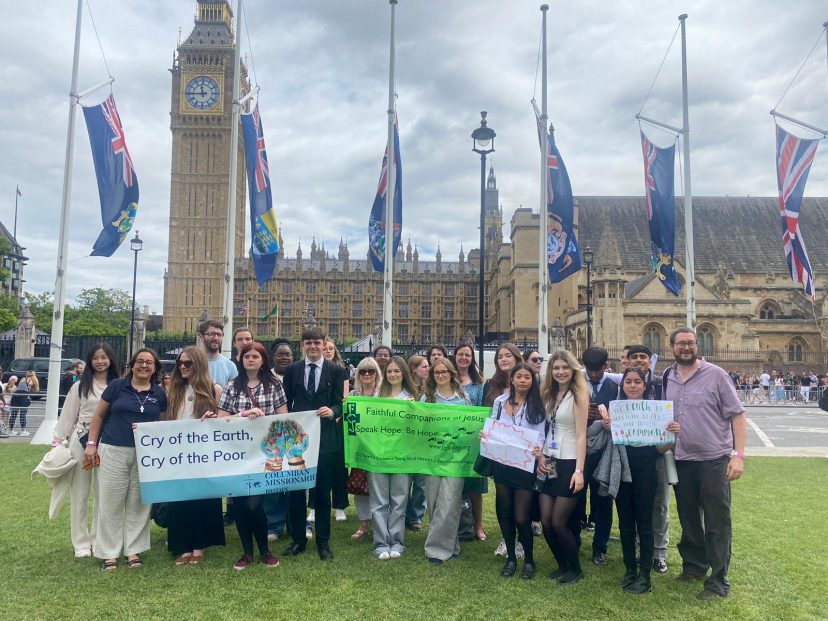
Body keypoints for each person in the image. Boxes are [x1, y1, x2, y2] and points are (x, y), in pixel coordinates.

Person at [663, 327, 746, 601]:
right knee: (688, 519)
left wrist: (739, 456)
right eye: (681, 343)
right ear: (672, 347)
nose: (686, 347)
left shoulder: (717, 375)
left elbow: (737, 415)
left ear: (697, 345)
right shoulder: (667, 377)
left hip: (714, 460)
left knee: (717, 522)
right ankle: (694, 566)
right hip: (681, 459)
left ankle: (718, 581)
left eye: (691, 343)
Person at [83, 348, 167, 571]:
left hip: (144, 455)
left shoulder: (159, 393)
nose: (144, 366)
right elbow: (98, 415)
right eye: (140, 361)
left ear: (155, 368)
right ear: (132, 364)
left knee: (139, 503)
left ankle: (133, 550)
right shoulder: (117, 386)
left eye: (149, 363)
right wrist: (91, 444)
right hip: (113, 449)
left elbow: (162, 424)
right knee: (110, 502)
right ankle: (108, 553)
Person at [600, 367, 681, 594]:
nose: (633, 385)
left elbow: (660, 448)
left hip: (646, 468)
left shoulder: (655, 410)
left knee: (644, 522)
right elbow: (612, 440)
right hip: (622, 467)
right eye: (628, 382)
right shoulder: (616, 410)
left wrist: (672, 436)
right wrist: (607, 427)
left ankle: (644, 575)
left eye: (637, 381)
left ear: (645, 386)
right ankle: (629, 570)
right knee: (625, 521)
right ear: (623, 385)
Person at [208, 342, 287, 569]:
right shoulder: (233, 386)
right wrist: (244, 414)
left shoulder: (274, 385)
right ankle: (247, 553)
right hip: (237, 453)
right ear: (240, 360)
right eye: (246, 356)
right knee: (241, 505)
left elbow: (283, 418)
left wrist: (264, 419)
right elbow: (222, 419)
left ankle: (265, 550)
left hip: (264, 453)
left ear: (263, 360)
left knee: (254, 505)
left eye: (255, 356)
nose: (250, 360)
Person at [282, 327, 347, 561]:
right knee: (296, 493)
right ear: (302, 345)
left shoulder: (337, 371)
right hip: (297, 441)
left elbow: (341, 403)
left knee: (321, 493)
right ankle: (298, 539)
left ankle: (323, 541)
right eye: (308, 342)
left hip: (325, 440)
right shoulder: (292, 370)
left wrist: (333, 411)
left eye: (317, 342)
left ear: (324, 344)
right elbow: (286, 402)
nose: (313, 346)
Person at [52, 343, 121, 557]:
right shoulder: (80, 386)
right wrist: (58, 440)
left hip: (108, 442)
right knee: (80, 494)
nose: (100, 361)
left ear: (111, 359)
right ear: (90, 361)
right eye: (95, 358)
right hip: (81, 440)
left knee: (104, 493)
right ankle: (81, 543)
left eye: (104, 357)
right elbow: (68, 414)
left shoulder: (119, 385)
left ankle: (98, 539)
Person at [163, 347, 226, 565]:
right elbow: (165, 421)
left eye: (187, 363)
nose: (182, 367)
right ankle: (182, 546)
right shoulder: (173, 390)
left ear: (198, 365)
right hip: (178, 454)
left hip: (203, 454)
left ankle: (200, 545)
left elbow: (222, 421)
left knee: (202, 500)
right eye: (179, 363)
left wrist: (212, 418)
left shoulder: (214, 389)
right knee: (180, 501)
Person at [487, 362, 546, 580]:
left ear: (532, 381)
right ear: (512, 379)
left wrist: (539, 449)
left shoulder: (537, 405)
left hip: (524, 466)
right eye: (518, 376)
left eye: (527, 377)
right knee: (505, 512)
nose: (522, 380)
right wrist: (486, 434)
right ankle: (511, 558)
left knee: (522, 516)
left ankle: (529, 559)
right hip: (502, 463)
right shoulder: (499, 402)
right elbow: (493, 425)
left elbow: (540, 434)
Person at [536, 349, 588, 585]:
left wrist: (579, 471)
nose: (560, 372)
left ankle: (575, 569)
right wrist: (540, 455)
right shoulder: (548, 393)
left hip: (569, 462)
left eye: (565, 367)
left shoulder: (578, 395)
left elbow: (581, 435)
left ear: (573, 369)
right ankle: (562, 565)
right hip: (549, 460)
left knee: (559, 522)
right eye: (556, 368)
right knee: (546, 521)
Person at [420, 358, 468, 564]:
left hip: (455, 458)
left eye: (444, 372)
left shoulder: (463, 399)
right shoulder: (426, 399)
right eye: (437, 372)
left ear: (451, 374)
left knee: (449, 501)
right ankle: (451, 544)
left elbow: (470, 426)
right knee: (433, 502)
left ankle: (436, 550)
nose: (440, 375)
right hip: (432, 457)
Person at [370, 356, 417, 559]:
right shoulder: (376, 397)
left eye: (397, 371)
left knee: (399, 500)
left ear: (404, 373)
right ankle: (381, 543)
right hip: (378, 455)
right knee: (379, 502)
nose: (393, 374)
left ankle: (397, 541)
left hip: (402, 456)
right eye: (389, 371)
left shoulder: (413, 398)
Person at [579, 346, 618, 567]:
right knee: (576, 498)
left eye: (598, 370)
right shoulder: (576, 384)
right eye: (589, 370)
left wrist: (610, 420)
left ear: (606, 366)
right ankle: (574, 540)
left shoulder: (615, 387)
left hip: (605, 452)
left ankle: (600, 547)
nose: (593, 374)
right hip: (580, 450)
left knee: (603, 500)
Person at [483, 342, 524, 558]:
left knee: (522, 499)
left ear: (517, 358)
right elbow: (486, 415)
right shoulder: (491, 386)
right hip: (500, 449)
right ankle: (506, 539)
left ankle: (522, 540)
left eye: (508, 355)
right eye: (500, 357)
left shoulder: (529, 381)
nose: (504, 359)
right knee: (503, 497)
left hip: (524, 449)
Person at [452, 343, 487, 541]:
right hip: (451, 439)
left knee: (475, 485)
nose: (464, 358)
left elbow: (482, 410)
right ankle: (458, 524)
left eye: (468, 355)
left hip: (472, 438)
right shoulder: (449, 378)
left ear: (472, 359)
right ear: (455, 356)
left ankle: (478, 525)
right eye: (460, 354)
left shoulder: (478, 383)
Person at [347, 356, 383, 541]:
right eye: (363, 371)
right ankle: (363, 524)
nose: (367, 374)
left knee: (379, 486)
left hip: (379, 447)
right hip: (359, 448)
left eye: (371, 371)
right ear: (358, 374)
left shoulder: (383, 394)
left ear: (377, 373)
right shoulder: (353, 395)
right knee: (360, 485)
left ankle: (380, 524)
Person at [265, 338, 294, 543]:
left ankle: (297, 523)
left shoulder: (298, 374)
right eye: (280, 354)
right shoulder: (266, 378)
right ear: (272, 357)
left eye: (288, 354)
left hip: (294, 435)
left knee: (295, 482)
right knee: (273, 482)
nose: (284, 358)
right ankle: (273, 525)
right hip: (272, 437)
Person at [321, 337, 349, 523]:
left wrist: (337, 415)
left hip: (337, 423)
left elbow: (344, 398)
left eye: (331, 348)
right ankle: (314, 506)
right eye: (325, 348)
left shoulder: (341, 372)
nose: (328, 351)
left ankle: (339, 505)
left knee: (339, 467)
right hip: (318, 422)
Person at [405, 354, 429, 531]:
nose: (428, 369)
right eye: (424, 366)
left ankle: (416, 517)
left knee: (421, 483)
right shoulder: (405, 389)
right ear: (414, 369)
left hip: (424, 441)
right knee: (404, 481)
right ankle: (405, 513)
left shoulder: (430, 389)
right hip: (407, 440)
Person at [198, 320, 238, 387]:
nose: (216, 338)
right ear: (201, 337)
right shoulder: (191, 363)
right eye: (211, 334)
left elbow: (234, 391)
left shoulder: (230, 366)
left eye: (219, 335)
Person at [9, 370, 36, 436]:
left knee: (13, 414)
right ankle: (23, 431)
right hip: (24, 396)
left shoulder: (22, 379)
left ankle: (11, 430)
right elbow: (35, 389)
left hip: (16, 396)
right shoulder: (32, 380)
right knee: (23, 414)